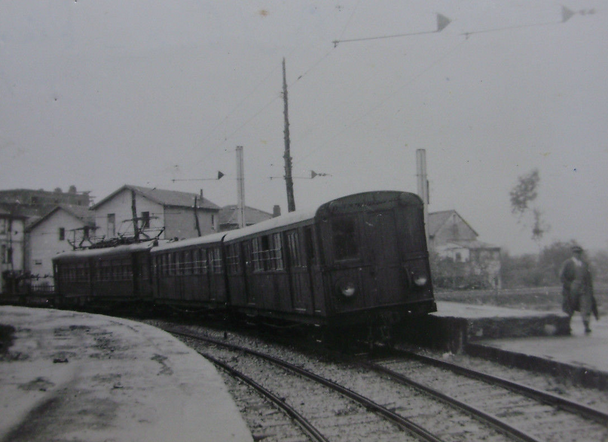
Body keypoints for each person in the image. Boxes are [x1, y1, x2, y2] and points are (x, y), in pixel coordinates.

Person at [559, 245, 599, 334]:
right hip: (571, 290)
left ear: (581, 253)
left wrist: (590, 289)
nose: (577, 254)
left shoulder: (584, 264)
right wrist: (570, 285)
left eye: (579, 252)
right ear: (572, 253)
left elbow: (588, 278)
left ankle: (586, 326)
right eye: (575, 252)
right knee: (569, 308)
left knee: (586, 307)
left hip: (584, 289)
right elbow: (562, 277)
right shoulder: (567, 263)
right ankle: (567, 326)